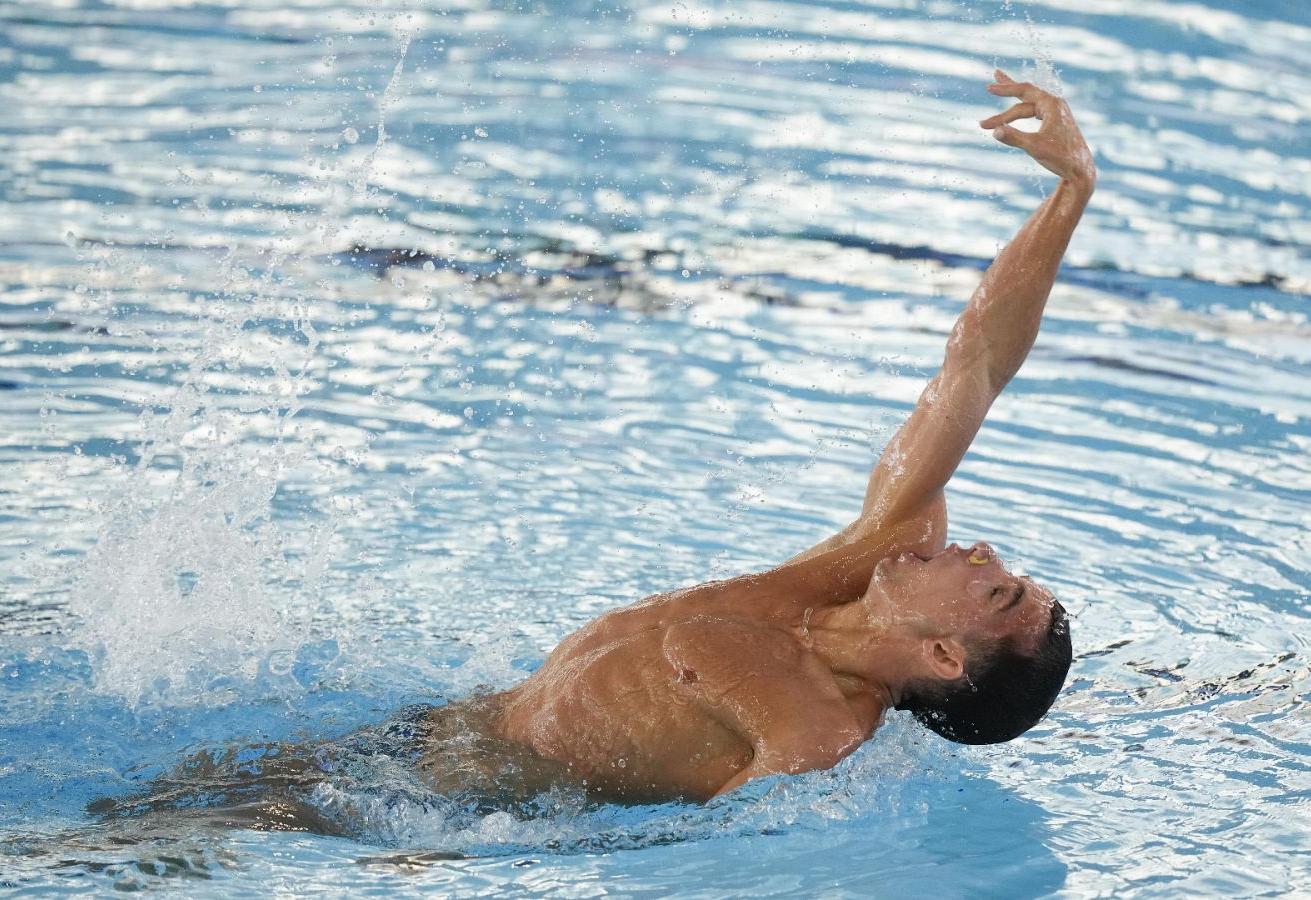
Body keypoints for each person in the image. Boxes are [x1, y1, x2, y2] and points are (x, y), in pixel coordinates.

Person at [407, 69, 1093, 805]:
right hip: (431, 731)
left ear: (943, 655)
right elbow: (975, 365)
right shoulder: (874, 552)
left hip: (463, 809)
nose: (984, 551)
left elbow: (696, 853)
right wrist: (1072, 191)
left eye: (998, 592)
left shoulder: (812, 733)